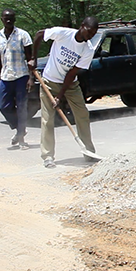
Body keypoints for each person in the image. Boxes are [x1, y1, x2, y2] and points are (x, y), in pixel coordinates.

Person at [29, 17, 100, 168]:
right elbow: (39, 34)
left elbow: (71, 74)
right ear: (82, 26)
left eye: (94, 34)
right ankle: (48, 156)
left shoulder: (88, 49)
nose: (91, 36)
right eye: (89, 31)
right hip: (48, 81)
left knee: (82, 115)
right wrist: (33, 58)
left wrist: (60, 96)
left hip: (70, 85)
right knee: (47, 119)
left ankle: (89, 152)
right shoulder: (63, 34)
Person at [0, 9, 34, 149]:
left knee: (21, 107)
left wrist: (31, 78)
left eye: (11, 18)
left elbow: (30, 59)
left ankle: (21, 139)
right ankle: (20, 129)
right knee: (2, 105)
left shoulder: (23, 35)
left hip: (21, 76)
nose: (8, 21)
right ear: (1, 19)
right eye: (6, 18)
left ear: (14, 19)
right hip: (5, 77)